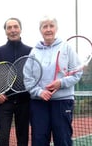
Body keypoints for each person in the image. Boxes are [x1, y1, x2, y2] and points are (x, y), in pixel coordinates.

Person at [24, 15, 83, 146]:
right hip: (39, 103)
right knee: (39, 141)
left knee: (63, 140)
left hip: (62, 102)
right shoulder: (34, 52)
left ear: (56, 28)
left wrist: (61, 83)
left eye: (51, 26)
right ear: (40, 30)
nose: (48, 29)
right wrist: (39, 92)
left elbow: (77, 72)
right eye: (45, 26)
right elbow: (28, 78)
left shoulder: (66, 48)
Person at [0, 17, 32, 146]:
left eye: (15, 27)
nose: (13, 30)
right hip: (4, 102)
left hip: (24, 101)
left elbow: (34, 75)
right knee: (3, 137)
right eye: (9, 27)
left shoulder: (30, 51)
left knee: (23, 136)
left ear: (20, 29)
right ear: (5, 31)